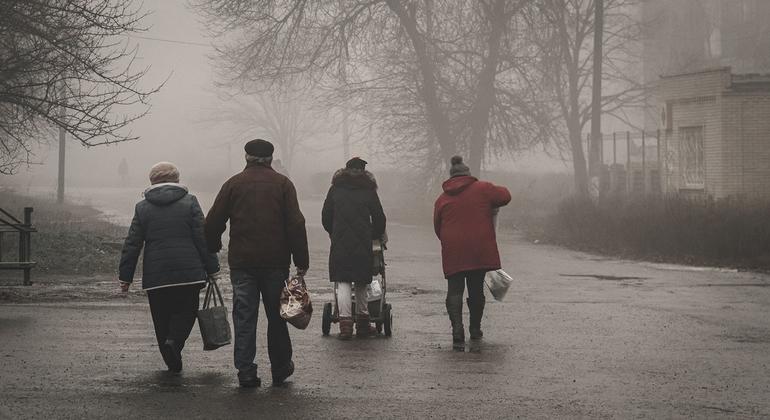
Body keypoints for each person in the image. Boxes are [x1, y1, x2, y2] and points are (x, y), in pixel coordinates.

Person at [205, 139, 309, 388]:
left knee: (244, 316)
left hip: (242, 263)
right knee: (277, 316)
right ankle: (281, 367)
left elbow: (212, 221)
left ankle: (246, 371)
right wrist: (301, 261)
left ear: (246, 158)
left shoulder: (233, 184)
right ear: (271, 159)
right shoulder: (283, 185)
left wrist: (213, 246)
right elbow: (295, 223)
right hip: (275, 262)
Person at [118, 162, 220, 373]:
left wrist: (125, 276)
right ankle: (175, 342)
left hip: (157, 276)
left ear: (152, 181)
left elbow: (133, 243)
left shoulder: (142, 207)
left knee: (161, 317)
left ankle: (171, 359)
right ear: (176, 179)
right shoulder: (190, 202)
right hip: (188, 272)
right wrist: (212, 268)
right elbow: (202, 237)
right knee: (187, 312)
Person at [433, 155, 511, 344]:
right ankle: (475, 330)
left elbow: (437, 227)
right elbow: (506, 196)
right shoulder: (483, 189)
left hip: (453, 249)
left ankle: (457, 331)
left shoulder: (442, 199)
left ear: (451, 177)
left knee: (454, 290)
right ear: (468, 174)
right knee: (476, 290)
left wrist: (450, 241)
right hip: (478, 248)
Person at [321, 157, 386, 339]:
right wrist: (373, 234)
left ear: (346, 170)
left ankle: (345, 326)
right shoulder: (369, 191)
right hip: (362, 242)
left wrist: (333, 232)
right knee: (361, 282)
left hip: (340, 242)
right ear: (363, 172)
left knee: (342, 282)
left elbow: (326, 216)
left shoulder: (335, 189)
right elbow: (380, 218)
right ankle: (363, 323)